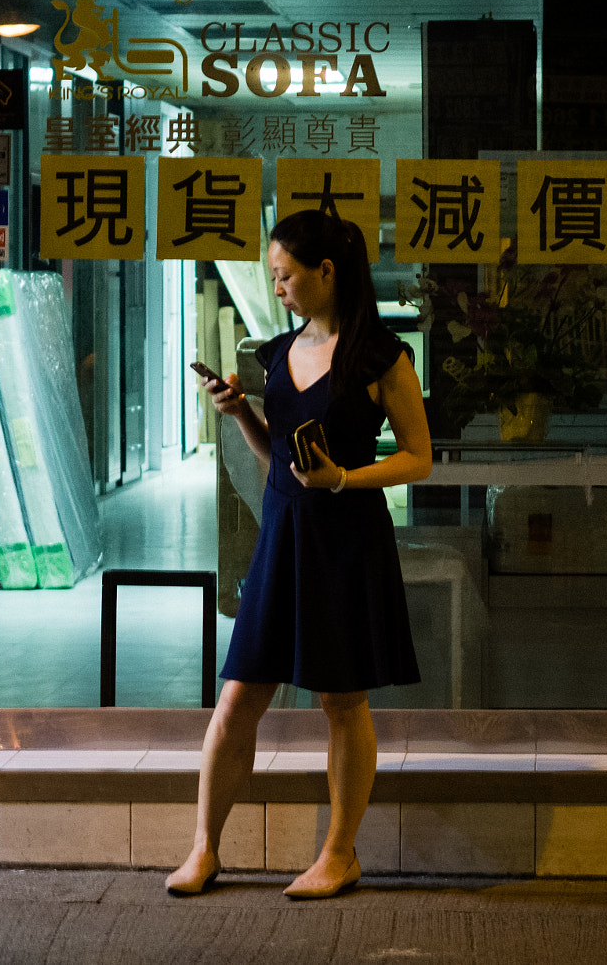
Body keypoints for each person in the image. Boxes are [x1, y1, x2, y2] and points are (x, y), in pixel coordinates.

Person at [166, 210, 432, 900]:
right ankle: (204, 848)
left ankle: (339, 853)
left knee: (342, 702)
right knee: (238, 697)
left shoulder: (383, 357)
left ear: (326, 272)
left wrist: (345, 477)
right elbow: (276, 458)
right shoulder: (278, 354)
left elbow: (419, 458)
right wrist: (241, 414)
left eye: (284, 274)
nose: (277, 285)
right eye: (273, 275)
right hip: (283, 533)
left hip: (345, 537)